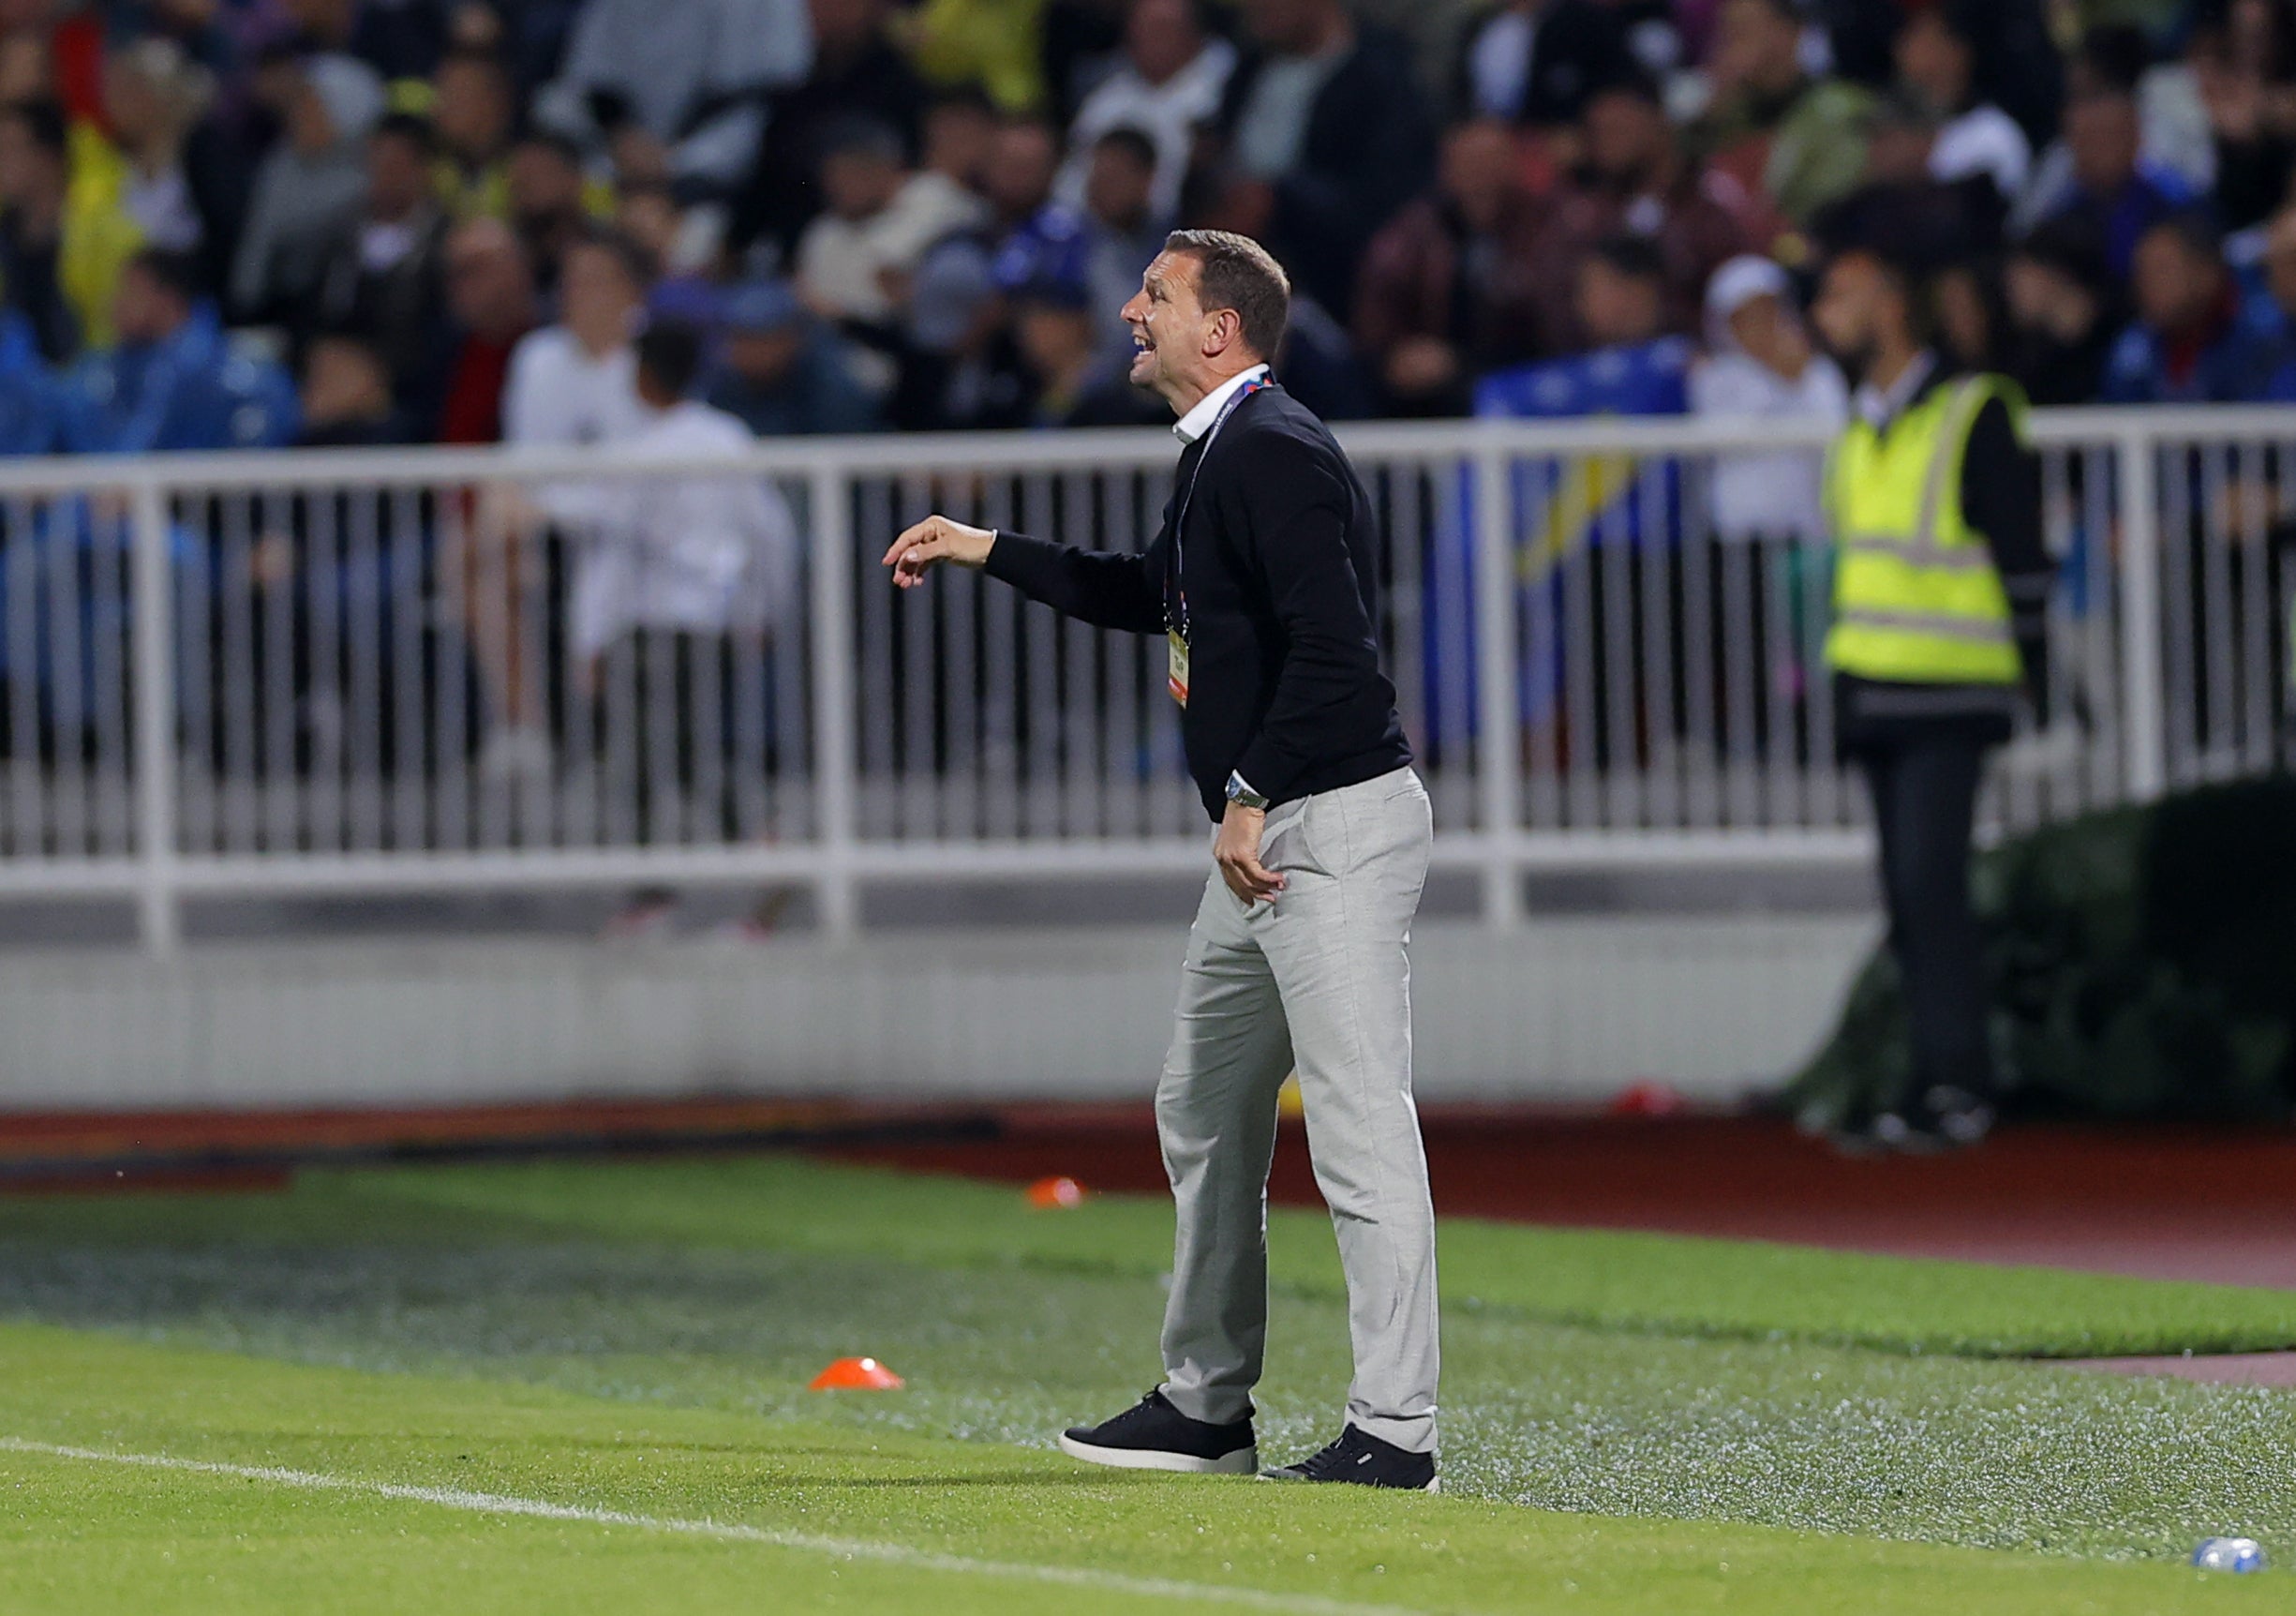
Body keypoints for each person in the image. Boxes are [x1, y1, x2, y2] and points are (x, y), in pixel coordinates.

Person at [883, 229, 1440, 1490]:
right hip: (1272, 835)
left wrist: (1246, 794)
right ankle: (1205, 1407)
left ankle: (1393, 1433)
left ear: (1218, 329)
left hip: (1321, 825)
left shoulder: (1273, 453)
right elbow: (1156, 594)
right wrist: (986, 547)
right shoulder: (1226, 449)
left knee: (1356, 1132)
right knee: (1199, 1106)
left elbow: (1334, 657)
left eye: (1155, 294)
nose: (1129, 310)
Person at [1807, 239, 2051, 1152]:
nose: (1822, 313)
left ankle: (1957, 1079)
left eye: (1838, 291)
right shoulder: (1861, 426)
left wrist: (2040, 679)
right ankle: (1928, 1075)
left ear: (1890, 300)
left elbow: (2022, 559)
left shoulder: (1970, 413)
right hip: (1877, 690)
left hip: (1949, 689)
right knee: (1908, 893)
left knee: (1926, 883)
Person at [1202, 0, 1438, 315]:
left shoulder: (1381, 79)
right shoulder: (1248, 69)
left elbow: (1383, 199)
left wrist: (1281, 198)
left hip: (1323, 276)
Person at [1352, 118, 1547, 417]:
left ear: (1513, 165)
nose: (1481, 176)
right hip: (1428, 392)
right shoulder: (1413, 233)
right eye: (1469, 164)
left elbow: (1557, 322)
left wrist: (1463, 362)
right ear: (1446, 170)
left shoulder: (1546, 228)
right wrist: (1395, 355)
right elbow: (1377, 314)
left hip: (1527, 383)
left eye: (1490, 163)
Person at [59, 247, 299, 453]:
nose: (116, 303)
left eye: (130, 291)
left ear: (167, 297)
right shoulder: (117, 365)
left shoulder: (219, 367)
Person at [1692, 0, 1873, 230]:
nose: (1726, 54)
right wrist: (1706, 123)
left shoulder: (1839, 109)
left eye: (1739, 34)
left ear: (1785, 31)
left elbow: (1829, 202)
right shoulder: (1726, 118)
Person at [1055, 0, 1235, 224]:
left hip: (1185, 230)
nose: (1151, 38)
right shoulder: (1106, 99)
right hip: (1095, 235)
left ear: (1193, 34)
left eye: (1164, 28)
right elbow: (1068, 190)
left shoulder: (1224, 89)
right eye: (1142, 28)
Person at [2101, 211, 2281, 403]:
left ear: (2207, 274)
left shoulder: (2265, 337)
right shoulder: (2133, 348)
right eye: (2141, 271)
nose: (2145, 283)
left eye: (2162, 270)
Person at [703, 277, 880, 436]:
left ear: (790, 339)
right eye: (737, 338)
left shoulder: (834, 392)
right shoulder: (723, 386)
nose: (745, 350)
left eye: (759, 339)